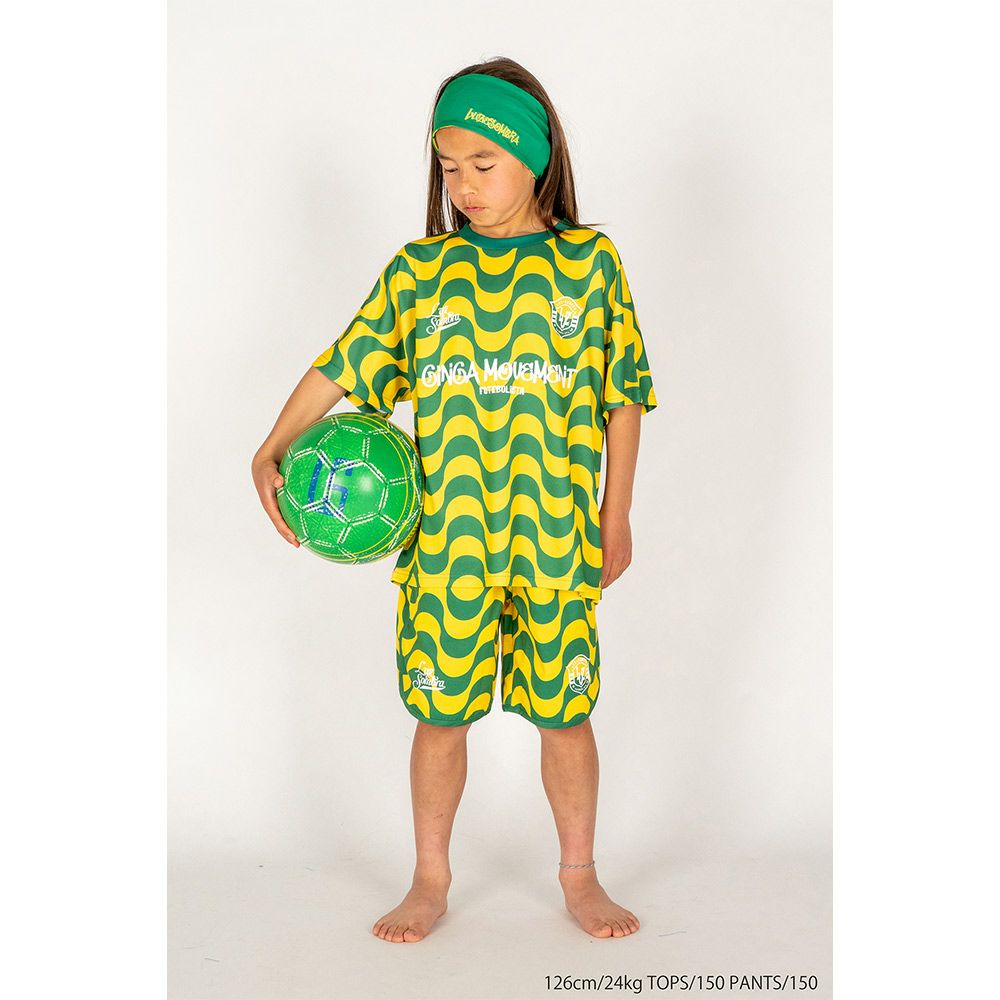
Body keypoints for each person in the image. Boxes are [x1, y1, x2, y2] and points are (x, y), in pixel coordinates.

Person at [251, 57, 658, 943]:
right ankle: (429, 877)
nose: (464, 186)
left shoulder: (588, 266)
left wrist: (615, 512)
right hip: (448, 544)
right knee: (440, 717)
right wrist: (271, 443)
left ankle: (580, 874)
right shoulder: (420, 273)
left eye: (483, 163)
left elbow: (623, 395)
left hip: (554, 536)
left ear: (534, 160)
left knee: (566, 715)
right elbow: (342, 363)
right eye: (447, 167)